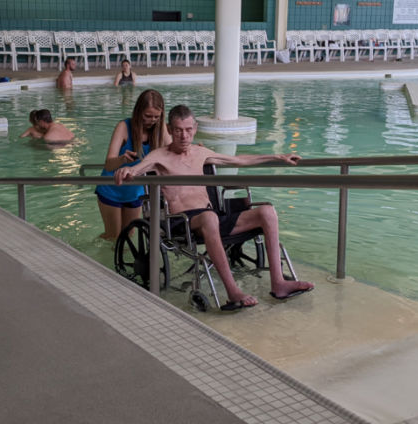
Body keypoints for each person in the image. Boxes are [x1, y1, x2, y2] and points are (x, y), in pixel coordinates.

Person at [114, 105, 314, 310]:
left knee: (267, 211)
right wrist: (127, 170)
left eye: (189, 129)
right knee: (210, 217)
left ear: (195, 128)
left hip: (212, 218)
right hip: (183, 222)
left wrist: (277, 157)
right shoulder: (159, 156)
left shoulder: (201, 153)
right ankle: (233, 292)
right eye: (178, 130)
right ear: (169, 129)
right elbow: (137, 169)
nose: (184, 135)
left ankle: (279, 283)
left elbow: (238, 160)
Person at [96, 89, 172, 240]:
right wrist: (123, 159)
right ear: (138, 112)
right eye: (147, 116)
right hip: (112, 188)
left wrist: (194, 150)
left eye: (156, 116)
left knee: (128, 237)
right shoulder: (123, 127)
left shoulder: (160, 127)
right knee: (114, 237)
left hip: (135, 191)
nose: (152, 120)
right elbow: (109, 164)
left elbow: (173, 151)